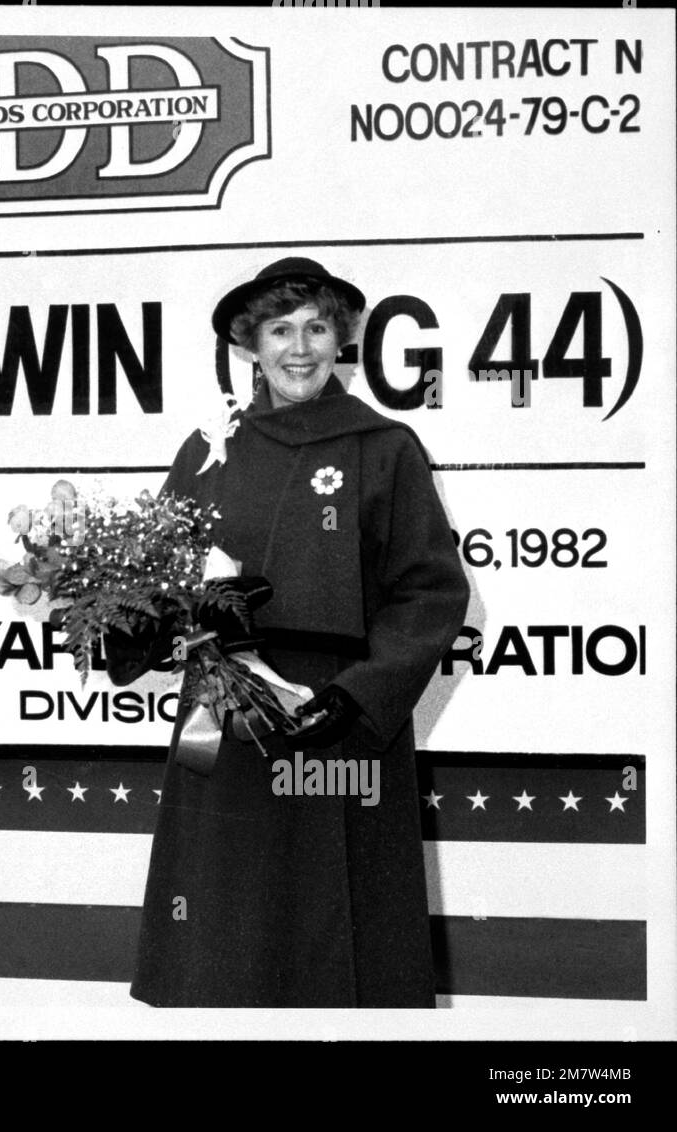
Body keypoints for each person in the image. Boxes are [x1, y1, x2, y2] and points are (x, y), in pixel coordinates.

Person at [109, 257, 470, 1007]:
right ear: (250, 345)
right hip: (224, 714)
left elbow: (431, 592)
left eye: (316, 329)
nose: (299, 349)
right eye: (279, 330)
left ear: (341, 341)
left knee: (332, 921)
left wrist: (360, 696)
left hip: (335, 723)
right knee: (225, 917)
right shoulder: (209, 447)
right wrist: (127, 624)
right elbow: (163, 577)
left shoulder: (385, 446)